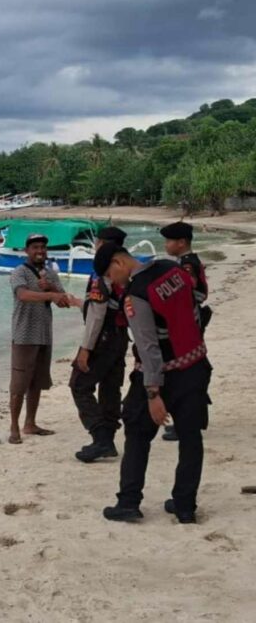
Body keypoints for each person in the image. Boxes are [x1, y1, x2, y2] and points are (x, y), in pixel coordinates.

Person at [94, 247, 212, 525]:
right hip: (196, 365)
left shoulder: (137, 294)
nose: (114, 282)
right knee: (191, 437)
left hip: (163, 374)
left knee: (136, 435)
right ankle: (185, 506)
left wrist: (153, 393)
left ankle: (128, 502)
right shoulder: (172, 269)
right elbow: (196, 304)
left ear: (119, 261)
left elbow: (149, 349)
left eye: (111, 275)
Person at [8, 233, 80, 444]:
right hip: (23, 334)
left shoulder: (50, 275)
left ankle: (30, 423)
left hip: (44, 335)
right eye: (35, 247)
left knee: (37, 382)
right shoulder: (19, 272)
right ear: (26, 251)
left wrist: (51, 288)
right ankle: (14, 426)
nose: (40, 251)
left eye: (43, 247)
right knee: (19, 383)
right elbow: (23, 295)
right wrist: (49, 295)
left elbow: (64, 302)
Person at [70, 226, 130, 463]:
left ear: (103, 245)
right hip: (121, 335)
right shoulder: (125, 271)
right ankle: (108, 439)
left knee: (79, 384)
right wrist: (78, 303)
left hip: (103, 338)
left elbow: (97, 316)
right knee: (110, 386)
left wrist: (85, 350)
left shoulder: (101, 273)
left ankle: (101, 437)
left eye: (97, 243)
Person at [160, 221, 210, 442]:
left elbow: (194, 293)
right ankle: (193, 418)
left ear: (181, 243)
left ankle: (189, 420)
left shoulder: (186, 265)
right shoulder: (186, 262)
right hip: (189, 324)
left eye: (169, 241)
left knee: (187, 372)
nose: (166, 245)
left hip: (188, 325)